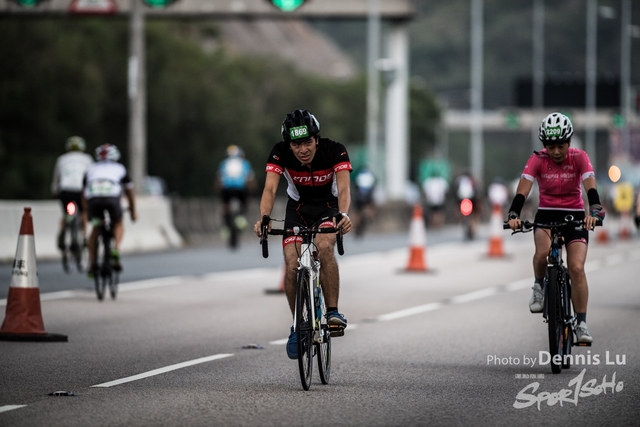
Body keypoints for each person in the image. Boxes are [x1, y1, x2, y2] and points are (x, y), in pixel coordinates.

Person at [253, 109, 353, 360]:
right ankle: (298, 326)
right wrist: (264, 217)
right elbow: (270, 189)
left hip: (328, 208)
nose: (303, 149)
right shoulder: (280, 152)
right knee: (291, 263)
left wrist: (343, 214)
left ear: (317, 139)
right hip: (297, 209)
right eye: (296, 144)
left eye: (307, 142)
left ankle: (332, 312)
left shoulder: (335, 150)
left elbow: (343, 189)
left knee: (325, 246)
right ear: (289, 145)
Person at [507, 112, 605, 344]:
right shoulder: (538, 159)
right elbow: (524, 188)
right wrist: (513, 214)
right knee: (542, 253)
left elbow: (590, 187)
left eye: (561, 146)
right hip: (547, 214)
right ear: (544, 145)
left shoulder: (579, 157)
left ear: (569, 142)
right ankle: (539, 286)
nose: (556, 152)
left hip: (575, 215)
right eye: (551, 147)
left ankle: (581, 324)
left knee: (577, 268)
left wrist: (595, 212)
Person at [82, 144, 137, 278]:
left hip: (94, 200)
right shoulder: (120, 168)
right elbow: (129, 192)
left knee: (96, 227)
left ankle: (92, 263)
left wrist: (86, 211)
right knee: (118, 222)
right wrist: (133, 211)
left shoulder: (90, 169)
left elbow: (83, 192)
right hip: (112, 199)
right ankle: (116, 249)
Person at [51, 136, 94, 250]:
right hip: (81, 191)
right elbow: (92, 177)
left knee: (66, 213)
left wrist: (54, 191)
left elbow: (56, 178)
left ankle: (62, 231)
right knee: (83, 211)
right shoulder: (87, 159)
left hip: (65, 190)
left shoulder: (61, 159)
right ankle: (84, 236)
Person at [216, 145, 256, 243]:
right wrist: (252, 189)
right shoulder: (245, 163)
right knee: (245, 202)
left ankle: (225, 227)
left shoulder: (223, 163)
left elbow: (219, 180)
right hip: (240, 189)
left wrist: (219, 191)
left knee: (225, 206)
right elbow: (249, 178)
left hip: (227, 189)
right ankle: (241, 218)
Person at [352, 165, 377, 237]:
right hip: (367, 197)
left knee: (356, 212)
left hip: (358, 197)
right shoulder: (370, 175)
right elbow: (373, 187)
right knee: (371, 206)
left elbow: (354, 185)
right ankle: (369, 216)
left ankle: (355, 226)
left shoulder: (358, 175)